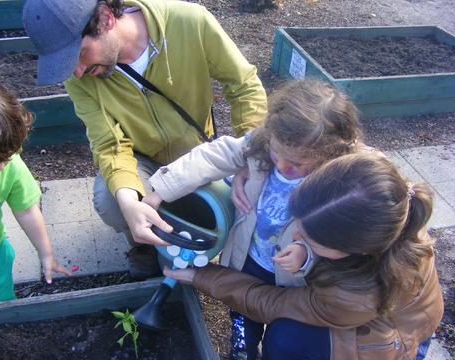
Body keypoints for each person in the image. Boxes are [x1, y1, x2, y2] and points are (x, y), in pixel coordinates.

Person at [22, 0, 267, 279]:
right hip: (141, 158)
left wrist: (250, 157)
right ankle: (145, 244)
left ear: (105, 19)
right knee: (111, 201)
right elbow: (108, 143)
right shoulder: (81, 76)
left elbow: (244, 86)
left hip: (194, 150)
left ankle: (175, 228)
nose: (76, 72)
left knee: (230, 207)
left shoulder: (189, 22)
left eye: (79, 54)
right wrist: (129, 202)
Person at [143, 79, 373, 359]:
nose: (283, 166)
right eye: (277, 153)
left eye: (297, 163)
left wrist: (307, 253)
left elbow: (343, 237)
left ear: (331, 154)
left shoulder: (344, 181)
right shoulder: (265, 143)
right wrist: (160, 191)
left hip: (297, 276)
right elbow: (215, 155)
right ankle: (243, 350)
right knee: (242, 313)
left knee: (281, 322)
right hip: (249, 257)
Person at [164, 152, 444, 360]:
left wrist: (200, 276)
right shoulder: (369, 182)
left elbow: (272, 302)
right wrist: (253, 167)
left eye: (309, 239)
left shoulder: (354, 294)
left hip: (382, 343)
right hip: (382, 312)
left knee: (285, 339)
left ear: (354, 251)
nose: (295, 236)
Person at [0, 71, 71, 305]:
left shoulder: (10, 165)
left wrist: (45, 253)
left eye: (6, 157)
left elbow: (27, 210)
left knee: (0, 318)